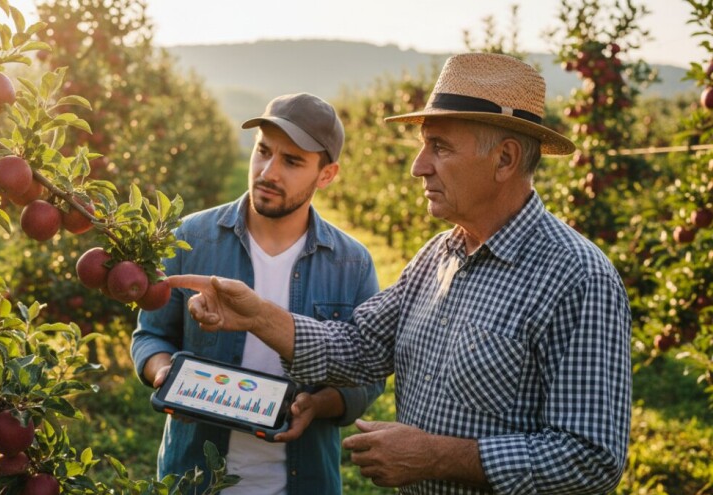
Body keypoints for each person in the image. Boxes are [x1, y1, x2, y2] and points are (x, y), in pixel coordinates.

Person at [167, 53, 633, 495]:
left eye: (439, 147)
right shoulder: (439, 255)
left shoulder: (576, 278)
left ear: (505, 159)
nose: (417, 166)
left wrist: (437, 457)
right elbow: (361, 346)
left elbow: (591, 459)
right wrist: (258, 316)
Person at [131, 92, 384, 494]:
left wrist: (317, 405)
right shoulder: (191, 238)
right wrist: (165, 375)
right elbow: (151, 335)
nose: (268, 172)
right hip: (194, 478)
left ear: (326, 175)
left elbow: (367, 376)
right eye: (263, 151)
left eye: (292, 161)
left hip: (302, 482)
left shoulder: (351, 264)